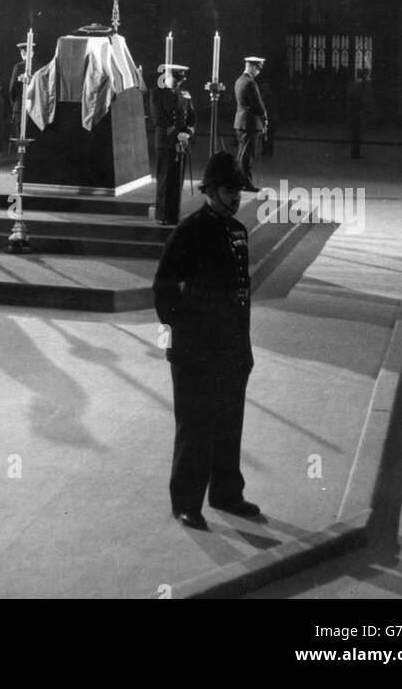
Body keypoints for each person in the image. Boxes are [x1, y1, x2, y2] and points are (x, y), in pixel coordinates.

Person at [152, 150, 260, 531]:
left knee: (229, 423)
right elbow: (163, 290)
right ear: (211, 190)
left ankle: (227, 492)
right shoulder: (191, 230)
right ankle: (186, 502)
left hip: (232, 350)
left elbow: (241, 296)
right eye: (231, 189)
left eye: (239, 190)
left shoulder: (237, 231)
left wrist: (243, 350)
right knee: (195, 427)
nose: (237, 196)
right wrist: (185, 333)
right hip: (195, 352)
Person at [149, 63, 196, 225]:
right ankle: (163, 215)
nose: (179, 82)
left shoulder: (185, 94)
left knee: (177, 180)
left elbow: (192, 117)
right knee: (165, 180)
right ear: (167, 75)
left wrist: (188, 133)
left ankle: (174, 214)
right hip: (166, 142)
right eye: (176, 78)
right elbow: (158, 119)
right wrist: (179, 135)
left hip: (181, 142)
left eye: (181, 79)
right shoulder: (157, 93)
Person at [233, 55, 267, 191]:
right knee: (248, 155)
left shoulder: (239, 80)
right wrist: (264, 116)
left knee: (242, 153)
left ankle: (240, 181)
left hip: (240, 122)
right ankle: (246, 183)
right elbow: (258, 104)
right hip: (250, 123)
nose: (258, 72)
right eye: (258, 69)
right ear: (253, 67)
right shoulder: (250, 82)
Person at [347, 69, 372, 159]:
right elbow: (364, 98)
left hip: (355, 111)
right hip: (359, 111)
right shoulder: (361, 86)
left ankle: (355, 151)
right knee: (358, 133)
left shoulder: (353, 84)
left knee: (356, 133)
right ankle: (356, 152)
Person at [258, 78, 276, 157]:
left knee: (267, 135)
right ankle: (268, 150)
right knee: (268, 135)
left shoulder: (266, 97)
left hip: (268, 118)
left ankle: (266, 150)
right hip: (269, 118)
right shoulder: (269, 96)